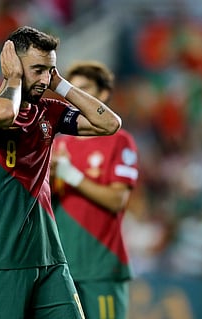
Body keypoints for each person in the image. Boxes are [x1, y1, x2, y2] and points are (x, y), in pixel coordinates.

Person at [0, 26, 122, 319]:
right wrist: (12, 79)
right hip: (0, 261)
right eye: (38, 69)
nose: (44, 79)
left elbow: (109, 124)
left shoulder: (49, 111)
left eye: (50, 70)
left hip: (50, 259)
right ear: (13, 63)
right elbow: (3, 114)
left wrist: (60, 84)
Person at [50, 61, 139, 319]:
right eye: (73, 90)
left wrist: (73, 177)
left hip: (100, 265)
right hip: (62, 266)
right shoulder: (58, 144)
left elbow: (117, 200)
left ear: (103, 95)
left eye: (85, 89)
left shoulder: (119, 140)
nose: (77, 98)